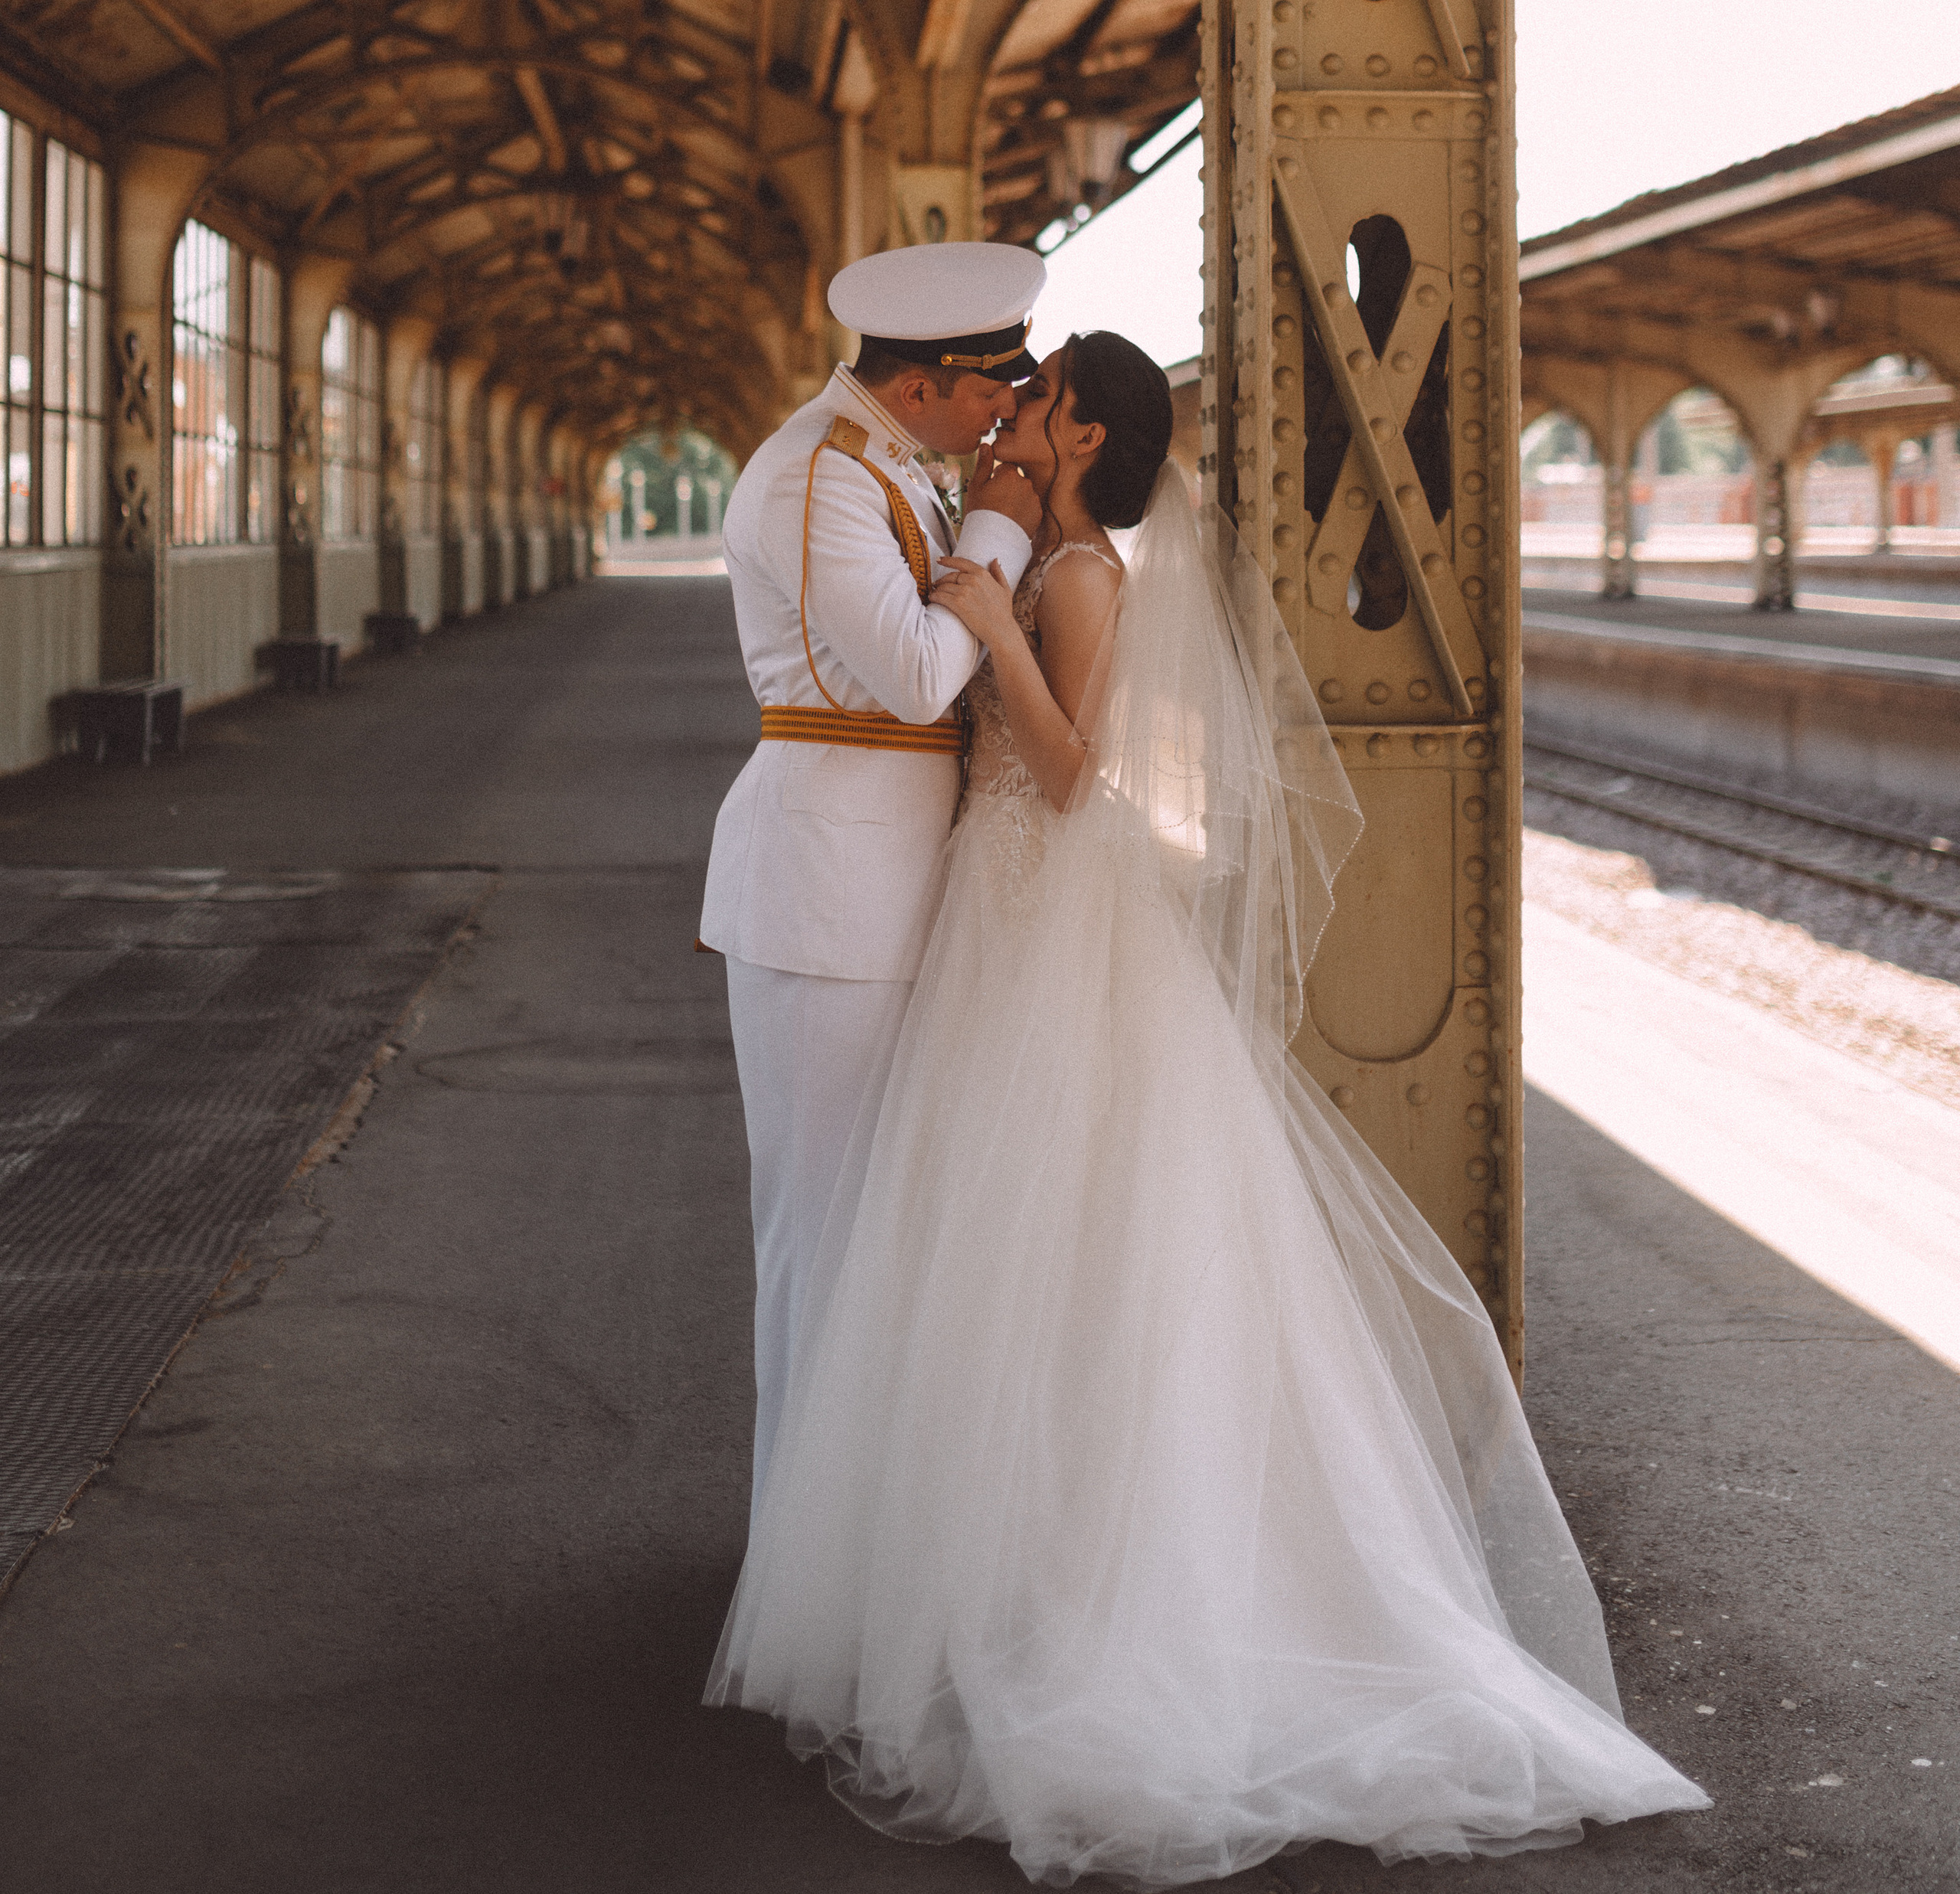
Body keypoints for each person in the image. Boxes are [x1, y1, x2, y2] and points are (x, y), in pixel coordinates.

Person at [707, 329, 1711, 1885]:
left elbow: (1064, 772)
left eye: (1031, 403)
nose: (1007, 419)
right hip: (997, 925)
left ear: (1084, 436)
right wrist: (985, 596)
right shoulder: (1038, 557)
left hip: (1042, 927)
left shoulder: (1079, 576)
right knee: (1007, 1266)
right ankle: (999, 1577)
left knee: (1061, 1247)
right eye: (999, 394)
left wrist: (990, 623)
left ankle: (1073, 1598)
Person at [699, 240, 1047, 1523]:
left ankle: (855, 1546)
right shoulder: (815, 476)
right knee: (823, 1239)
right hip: (826, 893)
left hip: (889, 888)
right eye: (990, 383)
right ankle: (803, 1544)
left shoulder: (892, 460)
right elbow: (911, 673)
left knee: (879, 1238)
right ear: (921, 385)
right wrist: (1005, 534)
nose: (1004, 406)